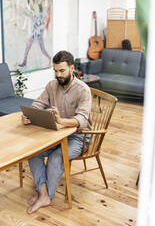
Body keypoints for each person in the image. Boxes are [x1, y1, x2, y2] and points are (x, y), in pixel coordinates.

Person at [22, 50, 92, 214]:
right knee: (33, 152)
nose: (58, 74)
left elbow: (81, 120)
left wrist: (61, 120)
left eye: (62, 70)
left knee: (56, 157)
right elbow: (38, 104)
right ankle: (43, 193)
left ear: (72, 68)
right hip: (57, 133)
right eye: (55, 71)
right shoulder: (52, 85)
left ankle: (46, 196)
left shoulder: (83, 90)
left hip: (79, 137)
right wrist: (27, 116)